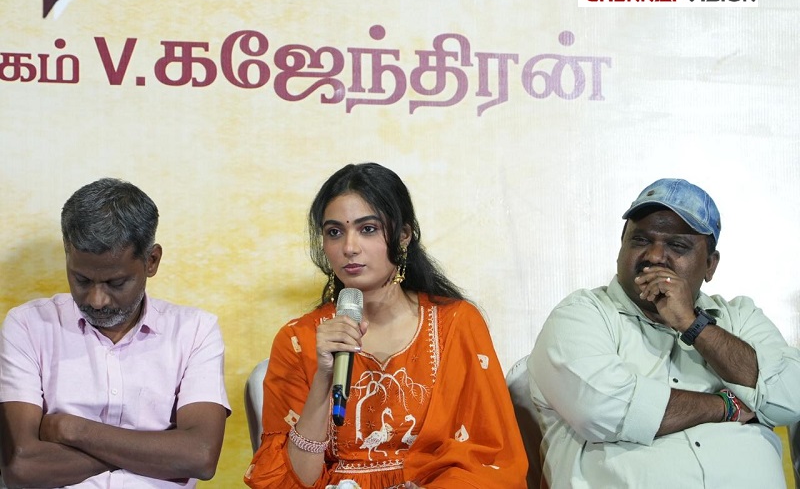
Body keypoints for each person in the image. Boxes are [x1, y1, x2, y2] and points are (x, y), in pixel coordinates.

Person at [244, 163, 527, 489]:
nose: (349, 247)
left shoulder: (457, 324)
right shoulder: (298, 340)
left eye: (367, 229)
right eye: (334, 232)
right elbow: (294, 482)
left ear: (403, 235)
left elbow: (489, 459)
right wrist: (323, 378)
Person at [528, 178, 800, 488]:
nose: (655, 256)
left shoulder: (740, 318)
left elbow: (791, 397)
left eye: (677, 245)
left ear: (710, 265)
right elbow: (603, 410)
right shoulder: (582, 314)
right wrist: (727, 406)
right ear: (620, 247)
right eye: (640, 240)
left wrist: (693, 324)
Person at [0, 178, 230, 488]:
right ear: (67, 254)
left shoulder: (195, 331)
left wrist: (71, 429)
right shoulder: (27, 326)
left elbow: (199, 457)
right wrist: (158, 453)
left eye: (115, 283)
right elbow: (21, 467)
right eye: (81, 279)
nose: (97, 300)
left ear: (151, 261)